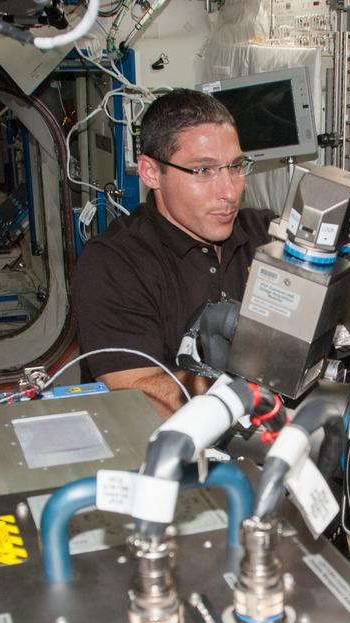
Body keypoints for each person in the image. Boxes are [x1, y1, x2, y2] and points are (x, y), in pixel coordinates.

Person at [74, 90, 274, 417]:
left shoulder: (265, 235)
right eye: (203, 170)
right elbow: (136, 393)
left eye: (236, 166)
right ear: (151, 172)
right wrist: (248, 393)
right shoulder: (113, 262)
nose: (229, 191)